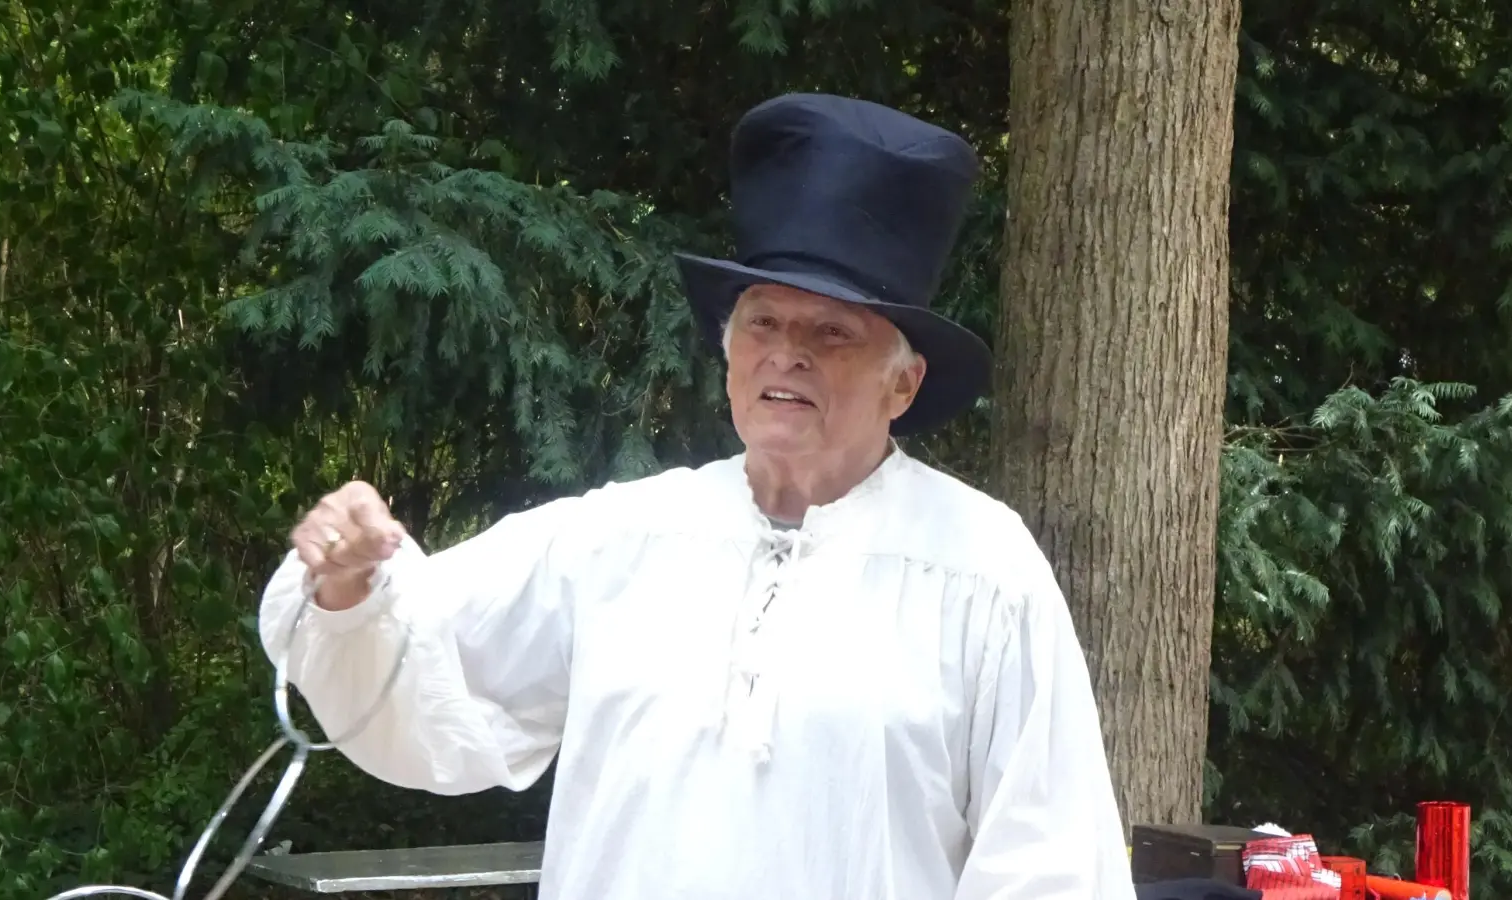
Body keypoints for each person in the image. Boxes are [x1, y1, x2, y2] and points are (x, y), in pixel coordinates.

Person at [260, 93, 1136, 900]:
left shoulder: (982, 568)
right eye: (763, 321)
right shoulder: (620, 538)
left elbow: (1048, 860)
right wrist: (350, 587)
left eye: (832, 332)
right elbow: (428, 675)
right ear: (728, 352)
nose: (787, 353)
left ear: (902, 384)